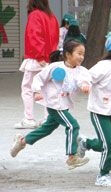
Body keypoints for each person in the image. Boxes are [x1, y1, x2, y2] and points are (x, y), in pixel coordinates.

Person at [10, 40, 91, 170]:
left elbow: (83, 80)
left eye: (83, 54)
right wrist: (36, 92)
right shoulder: (55, 67)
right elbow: (39, 78)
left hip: (64, 105)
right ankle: (72, 157)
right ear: (68, 54)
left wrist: (85, 86)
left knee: (46, 129)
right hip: (54, 104)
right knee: (72, 126)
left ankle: (21, 141)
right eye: (79, 53)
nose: (81, 57)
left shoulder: (81, 71)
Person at [77, 34, 111, 187]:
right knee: (109, 145)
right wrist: (85, 84)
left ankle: (85, 143)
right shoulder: (104, 66)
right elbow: (88, 76)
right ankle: (102, 175)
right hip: (100, 111)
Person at [14, 0, 59, 129]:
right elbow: (55, 39)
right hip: (48, 59)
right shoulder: (52, 17)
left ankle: (29, 118)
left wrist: (39, 56)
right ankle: (47, 119)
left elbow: (34, 36)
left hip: (36, 58)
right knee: (46, 89)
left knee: (27, 88)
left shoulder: (35, 15)